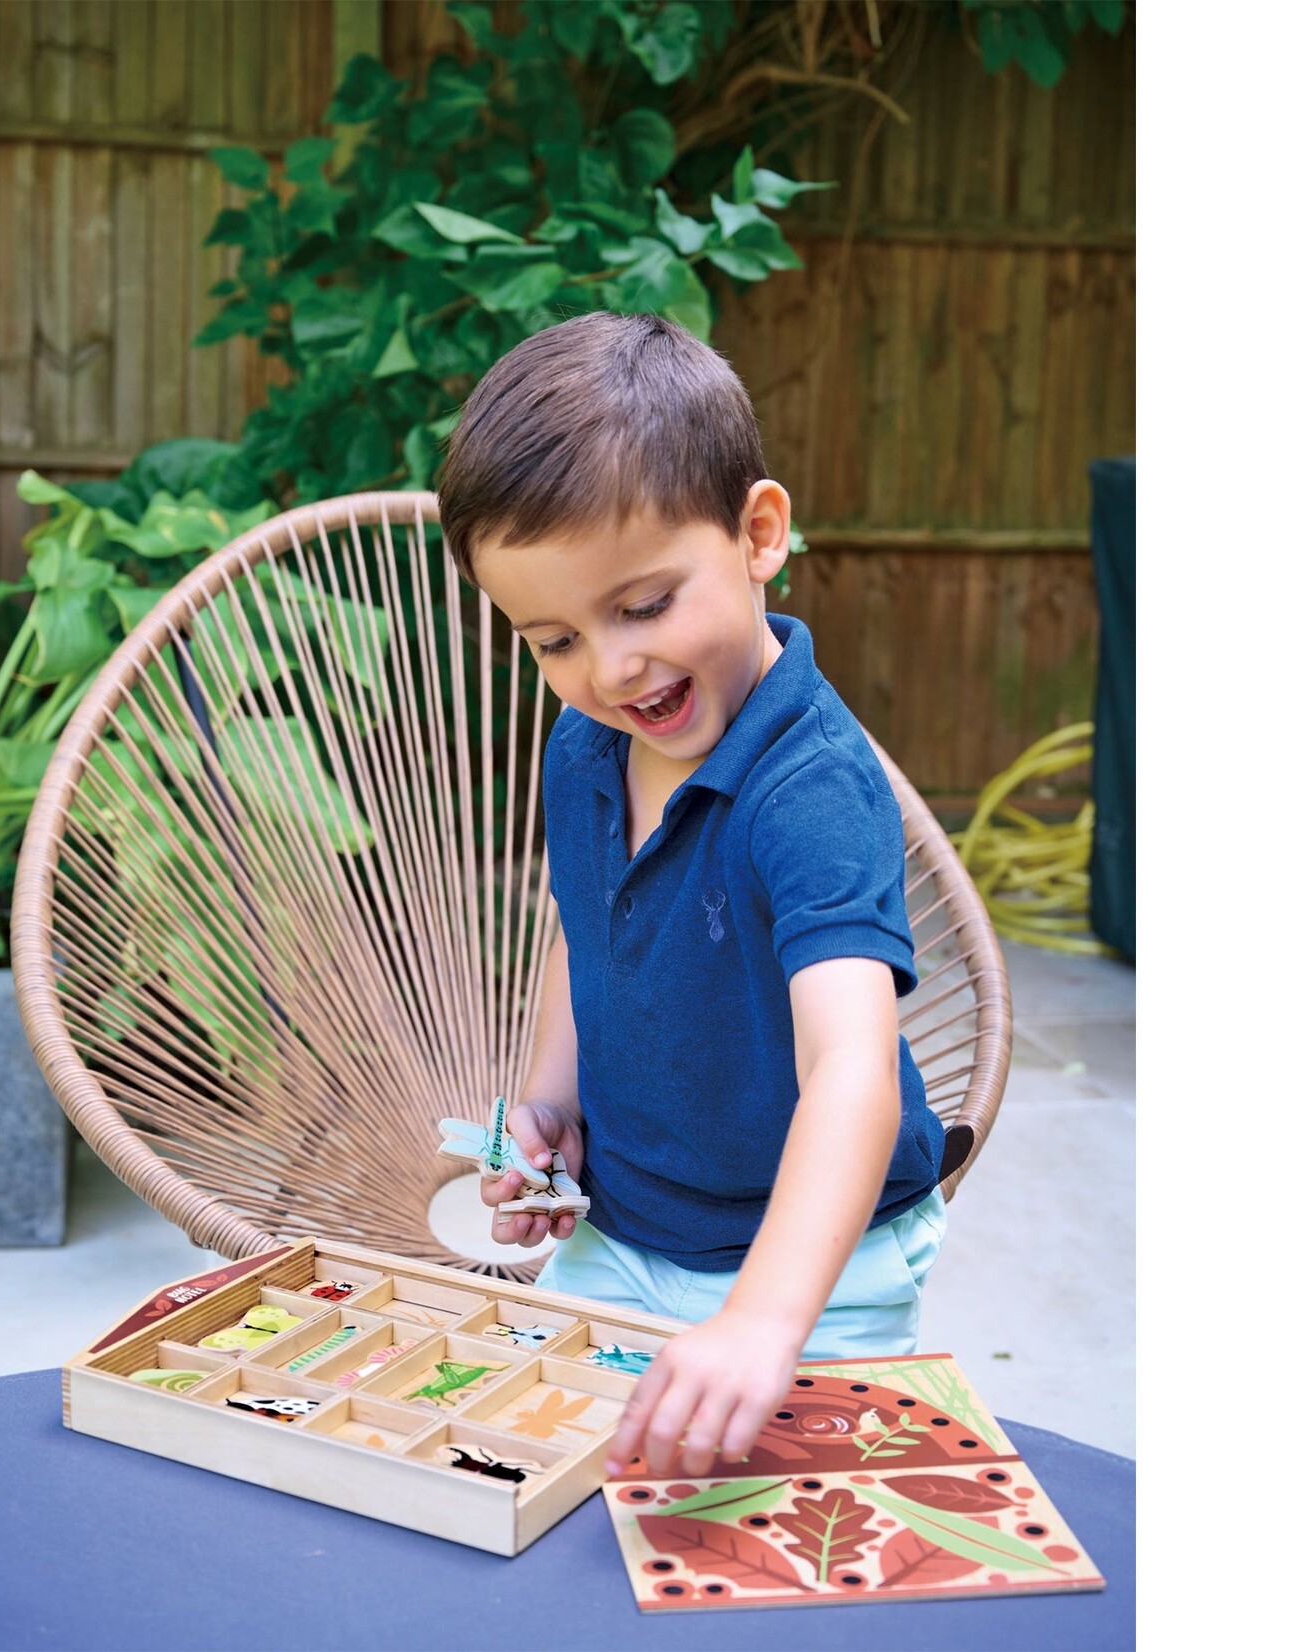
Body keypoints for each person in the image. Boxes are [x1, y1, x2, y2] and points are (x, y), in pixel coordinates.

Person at [435, 311, 948, 1484]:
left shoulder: (807, 789)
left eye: (645, 605)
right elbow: (587, 926)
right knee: (552, 1499)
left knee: (782, 1525)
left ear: (758, 533)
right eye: (553, 636)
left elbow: (852, 1071)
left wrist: (765, 1320)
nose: (608, 670)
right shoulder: (583, 745)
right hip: (619, 1233)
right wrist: (546, 1113)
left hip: (819, 1264)